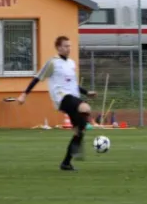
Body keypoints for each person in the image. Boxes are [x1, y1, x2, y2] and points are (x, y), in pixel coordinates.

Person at [17, 35, 97, 171]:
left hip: (72, 97)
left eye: (69, 46)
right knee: (85, 107)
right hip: (62, 98)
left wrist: (86, 92)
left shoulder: (71, 63)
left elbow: (73, 84)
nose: (68, 48)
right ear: (58, 48)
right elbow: (37, 78)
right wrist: (24, 94)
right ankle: (77, 148)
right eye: (65, 46)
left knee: (80, 131)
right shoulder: (52, 63)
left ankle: (66, 163)